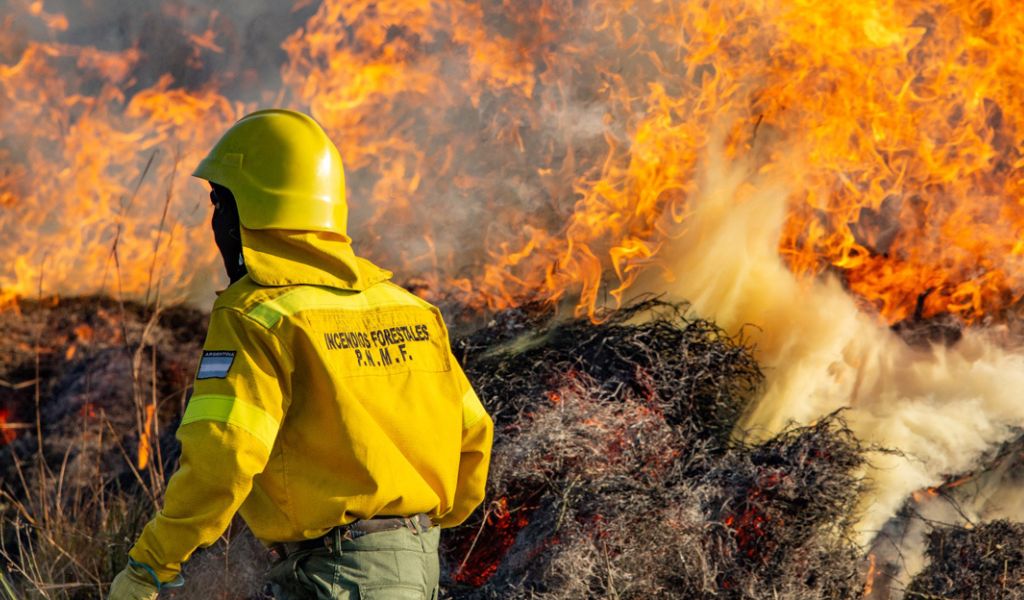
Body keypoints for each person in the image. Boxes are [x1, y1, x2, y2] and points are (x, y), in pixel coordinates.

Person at [108, 109, 494, 599]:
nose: (215, 223)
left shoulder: (257, 316)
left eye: (219, 204)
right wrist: (410, 536)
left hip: (333, 578)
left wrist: (149, 565)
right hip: (419, 569)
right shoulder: (411, 311)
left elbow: (222, 458)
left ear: (248, 211)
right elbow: (474, 436)